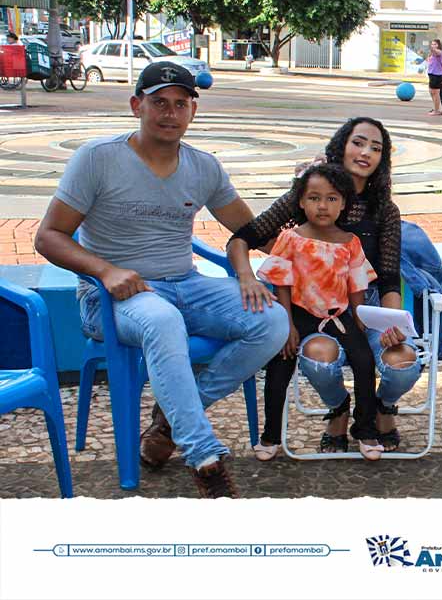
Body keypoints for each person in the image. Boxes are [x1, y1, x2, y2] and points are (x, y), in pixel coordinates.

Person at [33, 61, 288, 498]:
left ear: (193, 111)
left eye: (180, 104)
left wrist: (323, 239)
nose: (170, 113)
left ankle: (171, 420)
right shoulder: (98, 158)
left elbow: (255, 233)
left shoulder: (204, 167)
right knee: (162, 318)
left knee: (271, 320)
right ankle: (204, 456)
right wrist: (104, 270)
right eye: (158, 103)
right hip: (111, 298)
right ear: (137, 106)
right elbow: (48, 236)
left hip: (186, 284)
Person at [229, 117, 420, 460]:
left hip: (366, 306)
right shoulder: (310, 191)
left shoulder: (384, 210)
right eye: (358, 142)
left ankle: (381, 408)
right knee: (313, 358)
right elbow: (245, 237)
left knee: (403, 362)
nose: (366, 153)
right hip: (307, 306)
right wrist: (247, 278)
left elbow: (389, 278)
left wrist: (390, 322)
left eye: (376, 148)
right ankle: (338, 410)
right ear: (341, 145)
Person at [250, 163, 384, 460]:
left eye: (332, 198)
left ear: (343, 203)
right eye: (314, 198)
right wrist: (287, 325)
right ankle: (271, 435)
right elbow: (281, 283)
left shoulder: (350, 243)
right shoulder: (291, 239)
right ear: (300, 201)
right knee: (280, 365)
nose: (322, 206)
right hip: (297, 312)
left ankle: (365, 429)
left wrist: (360, 318)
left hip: (338, 315)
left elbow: (356, 284)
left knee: (364, 361)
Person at [426, 39, 442, 116]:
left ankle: (437, 110)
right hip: (431, 74)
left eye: (435, 44)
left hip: (437, 75)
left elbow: (436, 52)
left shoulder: (439, 52)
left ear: (439, 45)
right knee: (431, 92)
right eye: (432, 44)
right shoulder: (431, 54)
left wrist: (432, 48)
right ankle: (435, 108)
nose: (433, 45)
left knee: (436, 93)